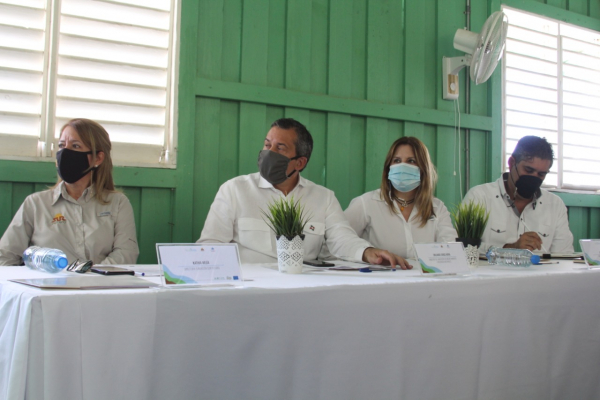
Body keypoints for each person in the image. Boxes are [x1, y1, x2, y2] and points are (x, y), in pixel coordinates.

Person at [198, 118, 412, 269]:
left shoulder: (323, 198)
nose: (268, 153)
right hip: (248, 292)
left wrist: (367, 252)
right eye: (267, 144)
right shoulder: (234, 190)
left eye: (280, 148)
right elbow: (209, 246)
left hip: (304, 294)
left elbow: (342, 239)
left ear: (300, 162)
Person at [0, 118, 139, 266]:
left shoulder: (117, 203)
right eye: (61, 145)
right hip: (48, 287)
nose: (65, 152)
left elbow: (126, 253)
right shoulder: (35, 204)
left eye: (76, 146)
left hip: (98, 287)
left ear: (98, 158)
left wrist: (87, 278)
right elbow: (5, 257)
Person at [344, 137, 457, 260]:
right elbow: (339, 243)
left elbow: (451, 251)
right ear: (388, 168)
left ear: (423, 168)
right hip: (379, 277)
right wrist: (365, 252)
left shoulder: (437, 207)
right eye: (397, 160)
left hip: (424, 278)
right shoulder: (366, 203)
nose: (403, 166)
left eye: (411, 161)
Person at [461, 135, 573, 253]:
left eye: (541, 174)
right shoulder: (479, 197)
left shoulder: (555, 205)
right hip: (492, 271)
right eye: (528, 170)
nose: (533, 178)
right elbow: (463, 248)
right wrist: (510, 249)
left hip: (540, 271)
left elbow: (563, 255)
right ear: (512, 162)